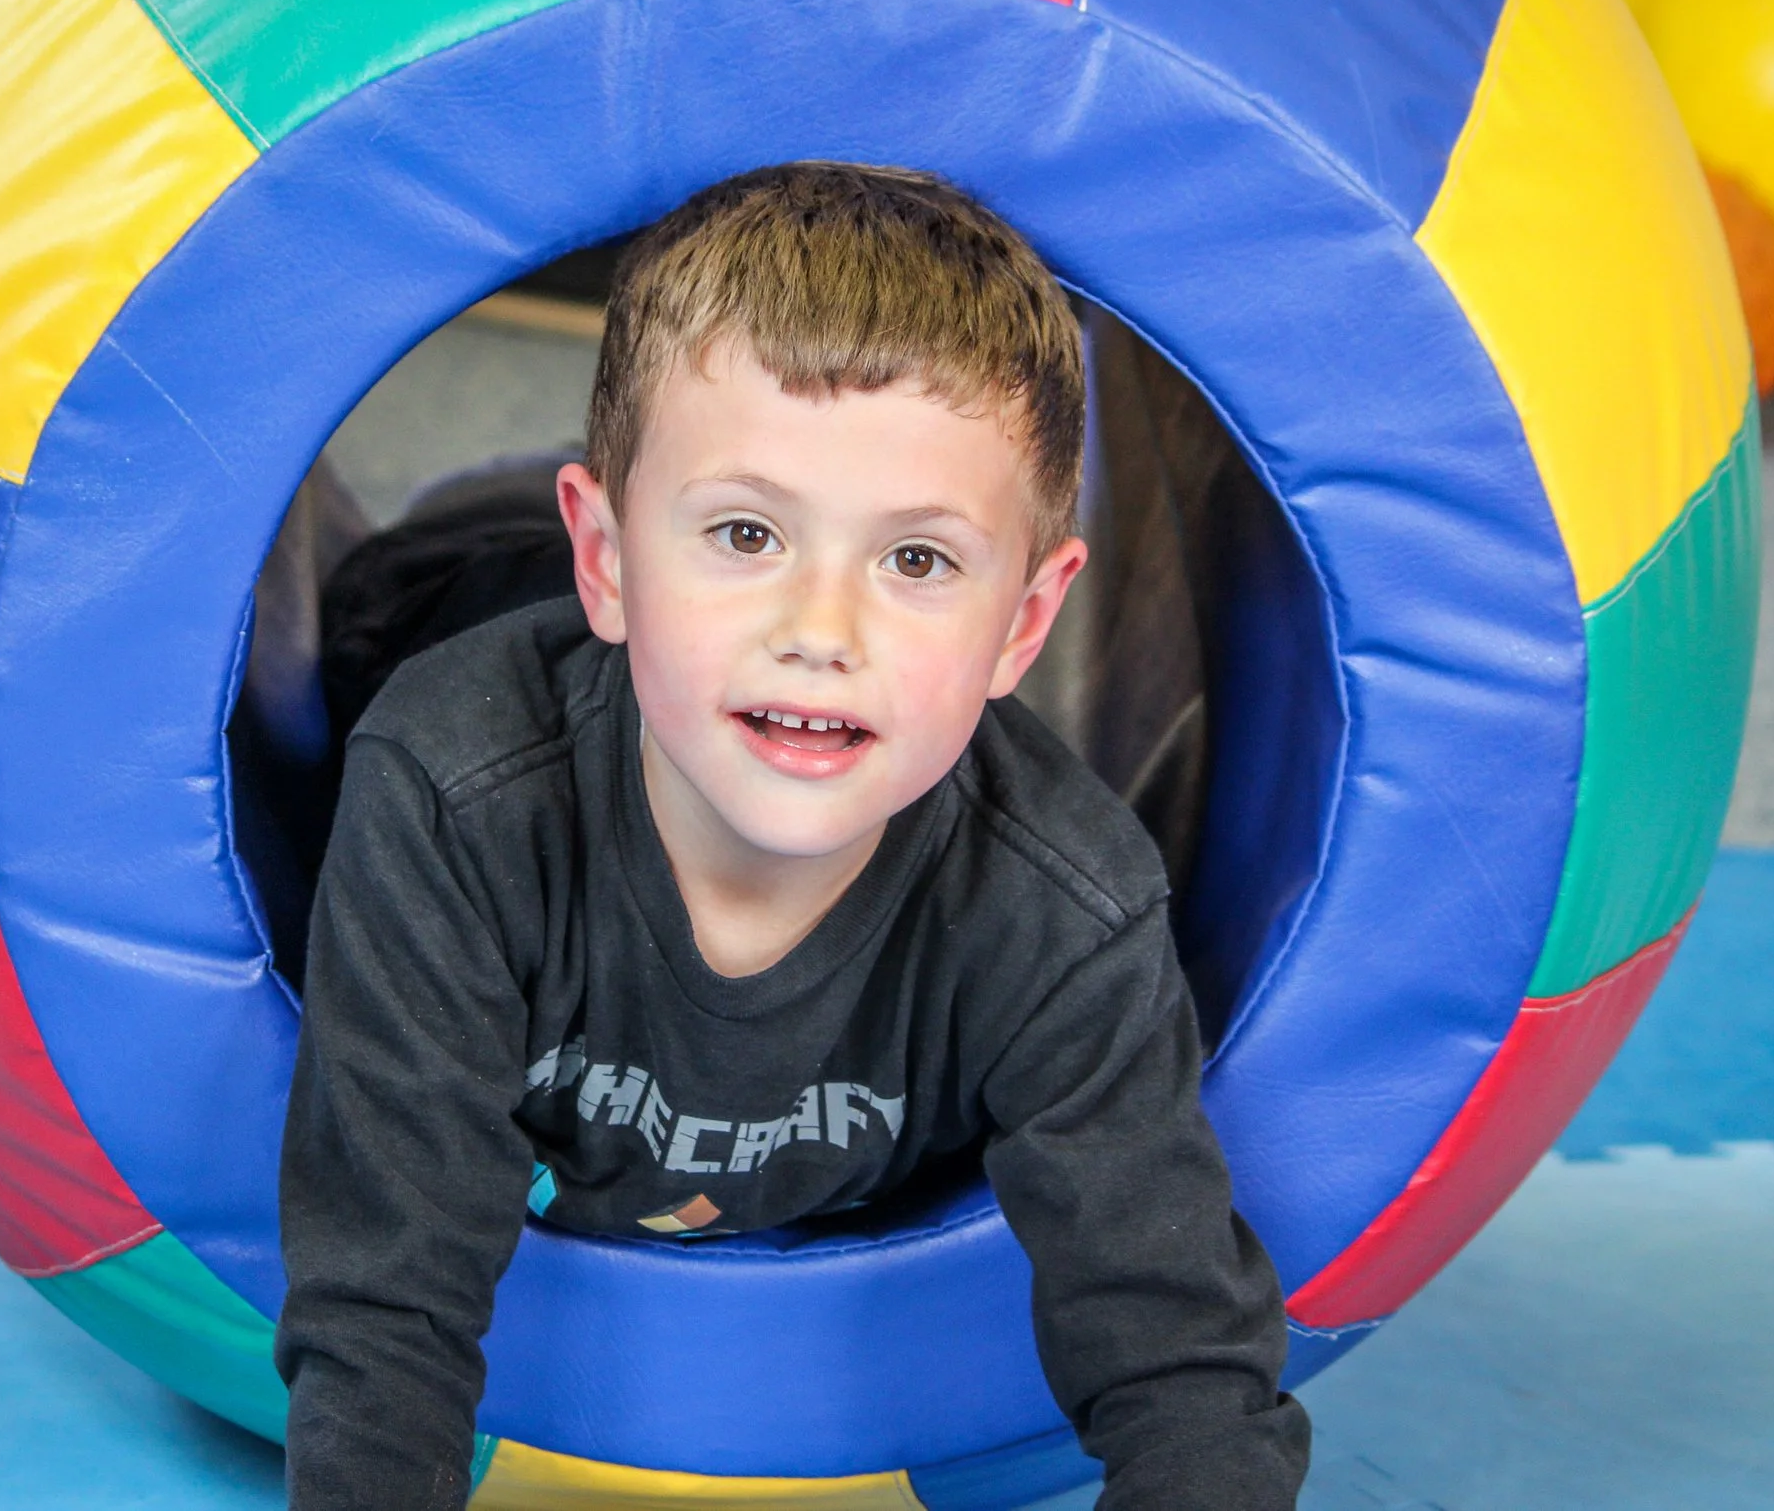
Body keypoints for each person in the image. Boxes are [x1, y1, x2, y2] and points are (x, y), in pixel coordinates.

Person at [276, 163, 1310, 1508]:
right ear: (609, 555)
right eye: (753, 532)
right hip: (458, 593)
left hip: (656, 632)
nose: (824, 628)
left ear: (1027, 623)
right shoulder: (457, 791)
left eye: (917, 561)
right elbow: (384, 1309)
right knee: (372, 656)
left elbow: (1190, 1373)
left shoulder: (1060, 905)